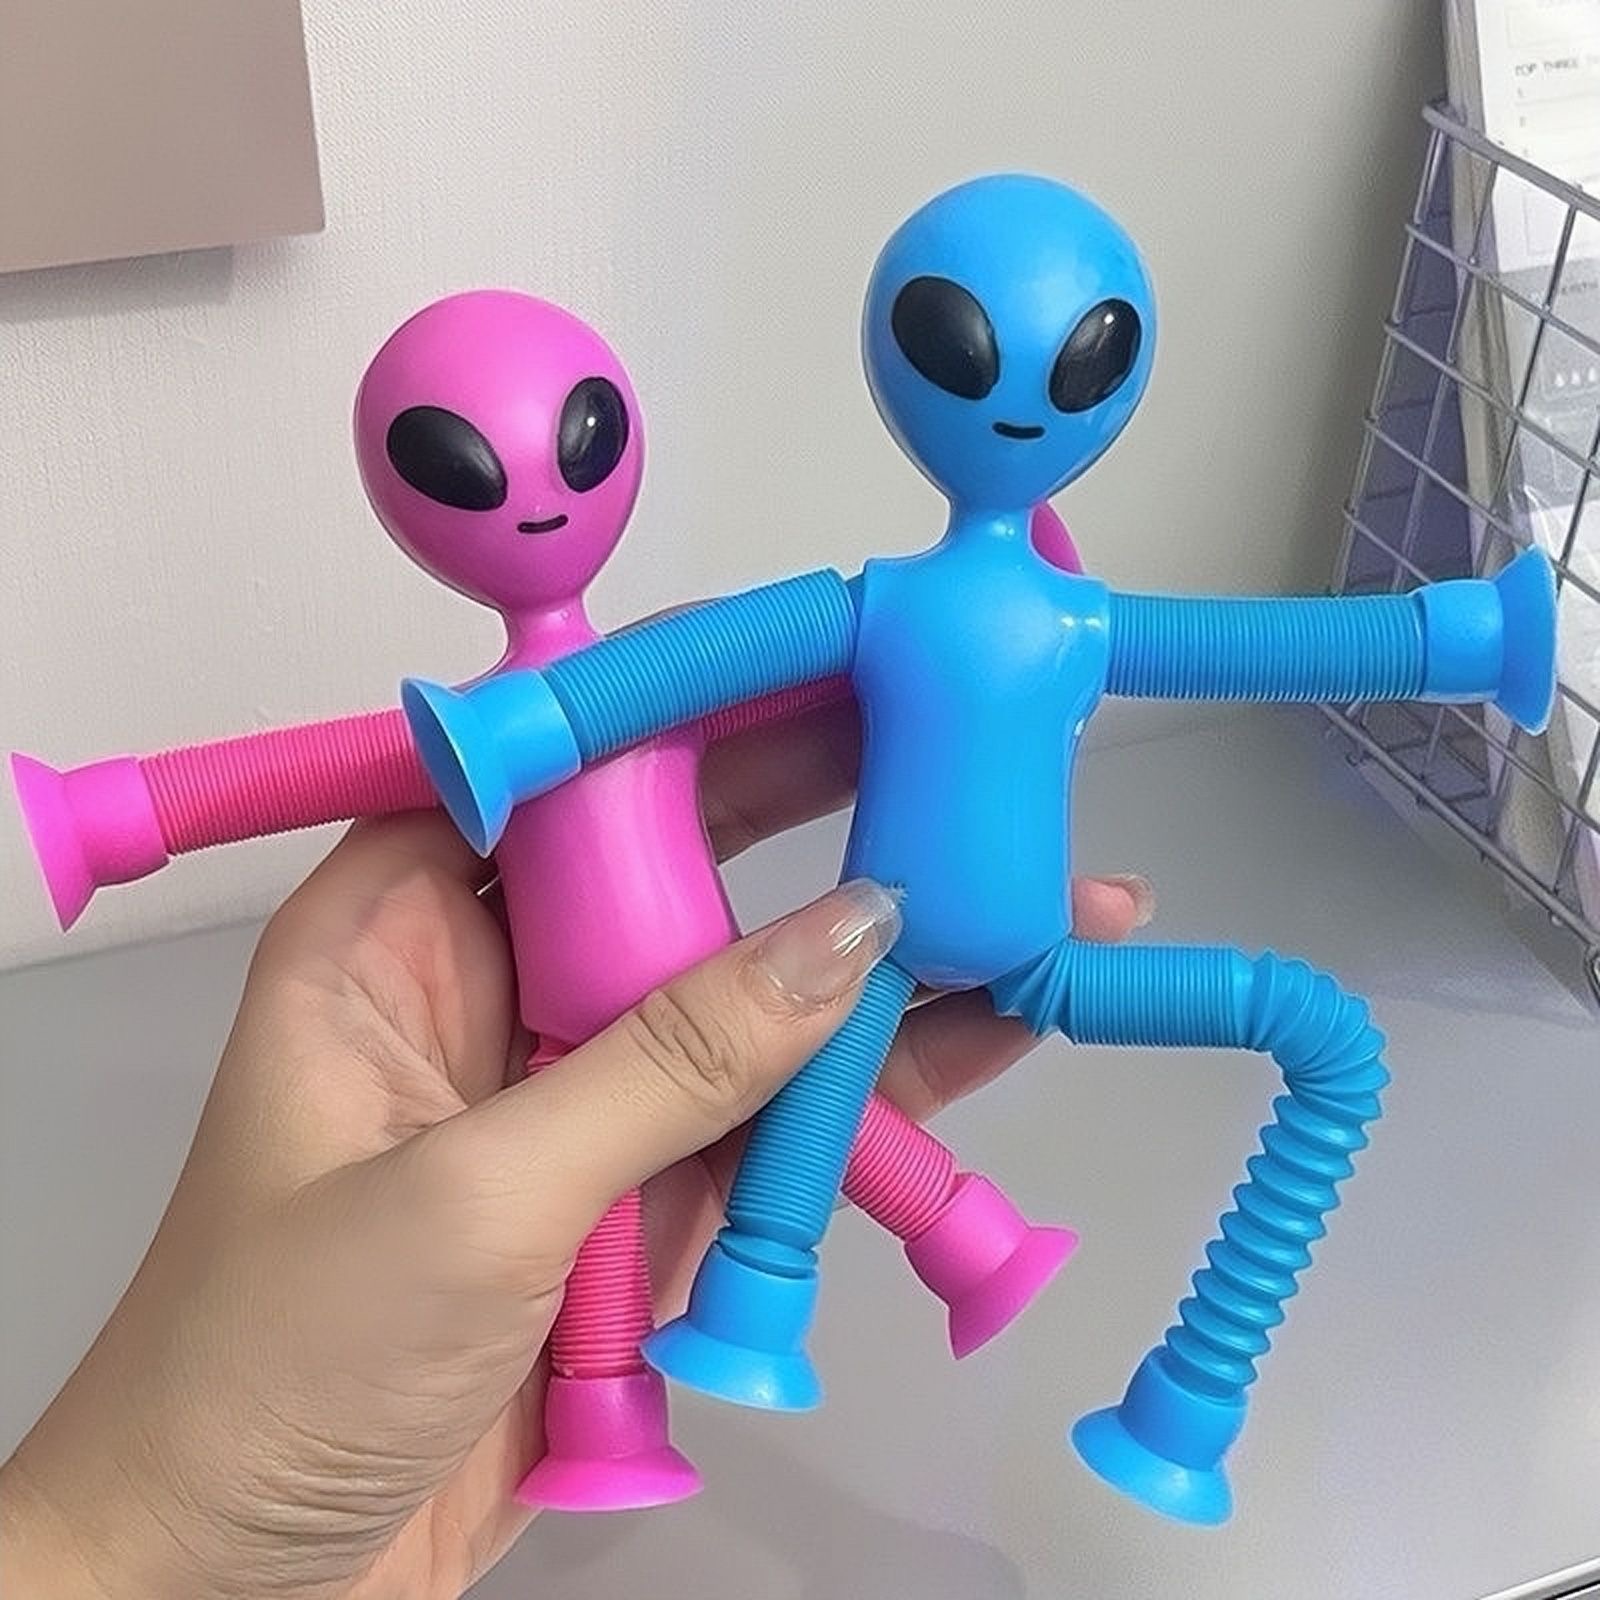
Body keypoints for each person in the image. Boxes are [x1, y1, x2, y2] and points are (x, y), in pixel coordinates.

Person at [0, 701, 1150, 1600]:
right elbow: (337, 763)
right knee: (738, 1125)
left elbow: (818, 661)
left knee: (776, 1109)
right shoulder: (519, 724)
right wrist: (122, 816)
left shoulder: (583, 709)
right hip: (596, 1039)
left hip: (657, 1024)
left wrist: (123, 814)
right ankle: (643, 1396)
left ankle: (958, 1247)